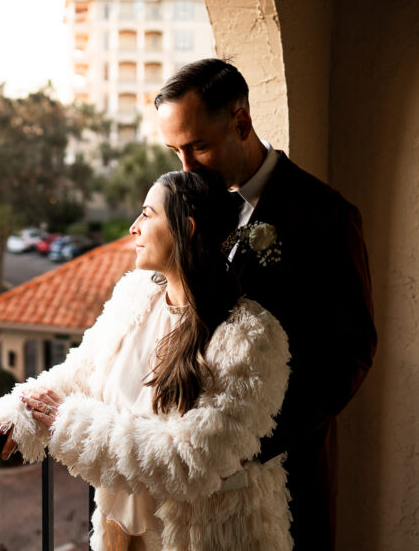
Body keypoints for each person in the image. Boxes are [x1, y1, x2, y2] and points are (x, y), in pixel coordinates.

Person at [0, 170, 292, 550]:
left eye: (147, 213)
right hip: (124, 538)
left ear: (185, 229)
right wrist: (14, 415)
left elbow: (190, 461)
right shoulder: (134, 298)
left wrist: (68, 422)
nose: (133, 227)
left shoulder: (249, 337)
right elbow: (81, 372)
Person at [155, 58, 377, 549]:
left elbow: (351, 353)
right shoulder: (199, 207)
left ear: (241, 122)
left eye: (199, 147)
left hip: (284, 465)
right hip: (203, 482)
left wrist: (251, 441)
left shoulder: (327, 215)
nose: (186, 168)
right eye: (175, 151)